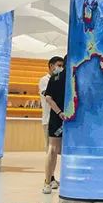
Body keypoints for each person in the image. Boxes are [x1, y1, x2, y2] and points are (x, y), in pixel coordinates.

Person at [42, 56, 66, 194]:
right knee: (53, 149)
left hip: (61, 119)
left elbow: (49, 97)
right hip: (61, 119)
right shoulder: (56, 77)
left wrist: (59, 113)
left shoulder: (57, 76)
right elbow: (48, 97)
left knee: (55, 149)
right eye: (59, 65)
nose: (60, 67)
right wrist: (60, 112)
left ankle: (49, 182)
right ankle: (48, 181)